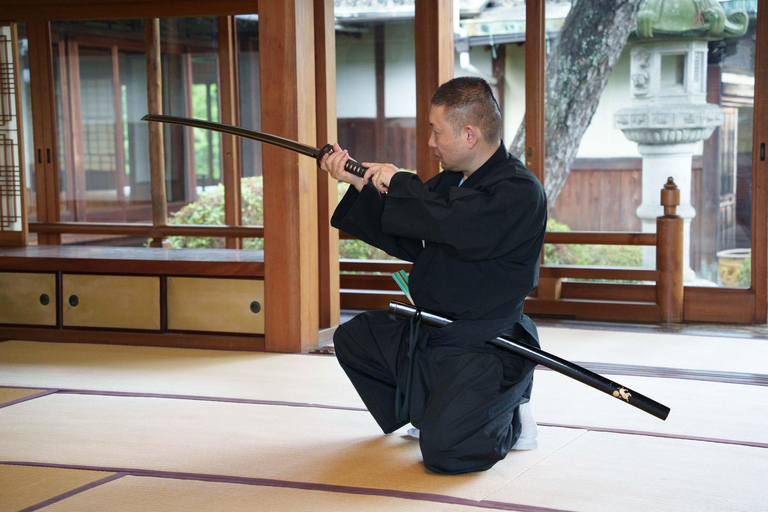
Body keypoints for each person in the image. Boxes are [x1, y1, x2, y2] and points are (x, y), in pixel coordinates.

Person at [320, 76, 547, 475]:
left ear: (470, 135)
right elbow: (415, 235)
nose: (430, 142)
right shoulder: (449, 183)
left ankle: (512, 413)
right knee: (355, 338)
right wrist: (360, 183)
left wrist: (399, 180)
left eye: (436, 131)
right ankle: (431, 407)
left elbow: (456, 226)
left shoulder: (518, 191)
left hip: (483, 342)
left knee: (447, 455)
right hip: (432, 330)